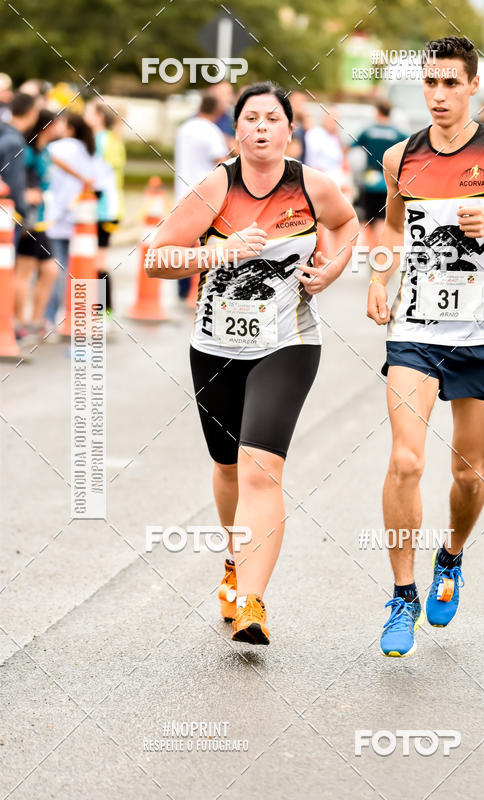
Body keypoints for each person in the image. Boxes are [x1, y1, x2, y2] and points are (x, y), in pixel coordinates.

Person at [146, 81, 359, 645]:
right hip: (215, 349)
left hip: (288, 343)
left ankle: (253, 605)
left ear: (290, 131)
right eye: (251, 119)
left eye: (273, 118)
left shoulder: (312, 186)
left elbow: (346, 224)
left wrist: (332, 268)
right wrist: (216, 251)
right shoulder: (215, 187)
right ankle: (236, 560)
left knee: (261, 469)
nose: (261, 127)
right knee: (227, 469)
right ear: (235, 130)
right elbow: (156, 258)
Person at [367, 36, 484, 657]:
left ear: (473, 86)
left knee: (469, 474)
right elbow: (392, 228)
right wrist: (378, 276)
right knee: (406, 462)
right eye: (431, 83)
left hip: (483, 333)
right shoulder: (401, 157)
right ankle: (402, 595)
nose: (440, 95)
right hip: (415, 332)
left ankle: (450, 556)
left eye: (452, 83)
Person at [174, 93, 229, 300]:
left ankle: (182, 288)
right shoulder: (211, 131)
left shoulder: (185, 128)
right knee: (204, 243)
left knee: (183, 243)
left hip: (182, 191)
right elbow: (221, 162)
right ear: (217, 110)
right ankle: (200, 289)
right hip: (205, 195)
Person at [44, 112, 96, 327]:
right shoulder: (87, 150)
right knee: (72, 266)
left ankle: (48, 316)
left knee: (56, 267)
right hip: (79, 217)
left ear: (71, 128)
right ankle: (70, 314)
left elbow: (42, 154)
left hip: (57, 213)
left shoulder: (60, 147)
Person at [14, 110, 60, 341]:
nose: (59, 129)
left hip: (41, 219)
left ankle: (35, 320)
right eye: (56, 124)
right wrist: (25, 194)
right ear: (47, 126)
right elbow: (15, 179)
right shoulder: (28, 150)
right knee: (24, 270)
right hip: (27, 220)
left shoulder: (45, 151)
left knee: (50, 271)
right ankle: (20, 322)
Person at [84, 99, 126, 317]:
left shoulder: (102, 140)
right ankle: (103, 310)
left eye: (88, 111)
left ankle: (102, 311)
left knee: (97, 261)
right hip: (108, 208)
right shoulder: (110, 139)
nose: (84, 115)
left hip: (104, 210)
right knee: (97, 260)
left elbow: (97, 176)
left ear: (99, 117)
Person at [353, 100, 408, 251]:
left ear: (377, 112)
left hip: (371, 181)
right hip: (389, 181)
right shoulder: (398, 133)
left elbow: (351, 148)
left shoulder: (368, 131)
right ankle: (383, 250)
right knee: (384, 219)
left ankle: (378, 251)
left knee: (369, 219)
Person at [0, 92, 39, 225]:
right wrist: (23, 211)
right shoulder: (15, 142)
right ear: (31, 112)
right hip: (8, 214)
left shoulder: (5, 134)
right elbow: (13, 182)